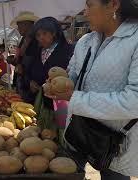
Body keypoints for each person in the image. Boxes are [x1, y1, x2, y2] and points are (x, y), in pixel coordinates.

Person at [44, 0, 138, 179]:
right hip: (78, 132)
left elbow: (135, 101)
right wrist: (58, 84)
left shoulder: (135, 40)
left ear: (113, 4)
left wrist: (75, 97)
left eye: (90, 5)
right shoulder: (86, 41)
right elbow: (73, 75)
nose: (84, 12)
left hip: (115, 144)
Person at [22, 17, 73, 104]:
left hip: (58, 104)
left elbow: (69, 77)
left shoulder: (68, 52)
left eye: (44, 33)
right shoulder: (37, 52)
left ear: (53, 33)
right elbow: (27, 72)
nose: (41, 37)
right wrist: (30, 81)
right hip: (36, 101)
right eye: (38, 35)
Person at [8, 11, 39, 89]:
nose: (18, 28)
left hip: (32, 84)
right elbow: (20, 60)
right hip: (21, 82)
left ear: (27, 24)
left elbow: (38, 62)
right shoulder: (22, 40)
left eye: (19, 26)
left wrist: (23, 69)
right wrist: (13, 61)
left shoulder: (37, 40)